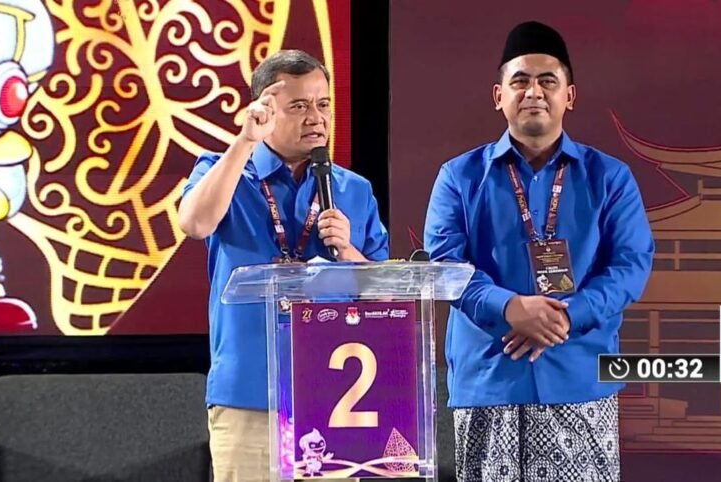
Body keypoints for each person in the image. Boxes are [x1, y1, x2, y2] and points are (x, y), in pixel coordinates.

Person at [424, 21, 654, 481]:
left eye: (548, 81)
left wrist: (565, 317)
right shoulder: (458, 177)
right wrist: (509, 308)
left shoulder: (609, 177)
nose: (534, 92)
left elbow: (631, 265)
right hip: (490, 380)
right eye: (520, 81)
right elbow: (446, 264)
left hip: (579, 377)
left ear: (570, 95)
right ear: (499, 96)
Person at [179, 49, 388, 482]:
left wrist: (349, 251)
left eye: (323, 104)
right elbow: (195, 223)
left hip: (340, 399)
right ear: (265, 110)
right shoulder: (224, 172)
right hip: (249, 395)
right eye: (299, 106)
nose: (316, 118)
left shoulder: (354, 189)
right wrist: (245, 141)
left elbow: (386, 295)